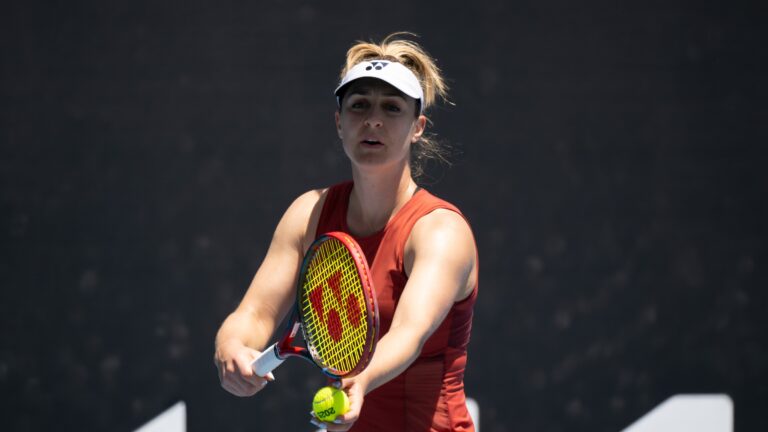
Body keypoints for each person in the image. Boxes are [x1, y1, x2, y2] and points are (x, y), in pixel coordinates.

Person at [214, 32, 479, 431]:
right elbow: (254, 313)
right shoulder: (309, 213)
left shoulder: (441, 232)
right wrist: (231, 346)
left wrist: (363, 378)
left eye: (392, 107)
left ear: (417, 127)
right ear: (339, 123)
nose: (373, 119)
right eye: (359, 106)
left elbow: (408, 334)